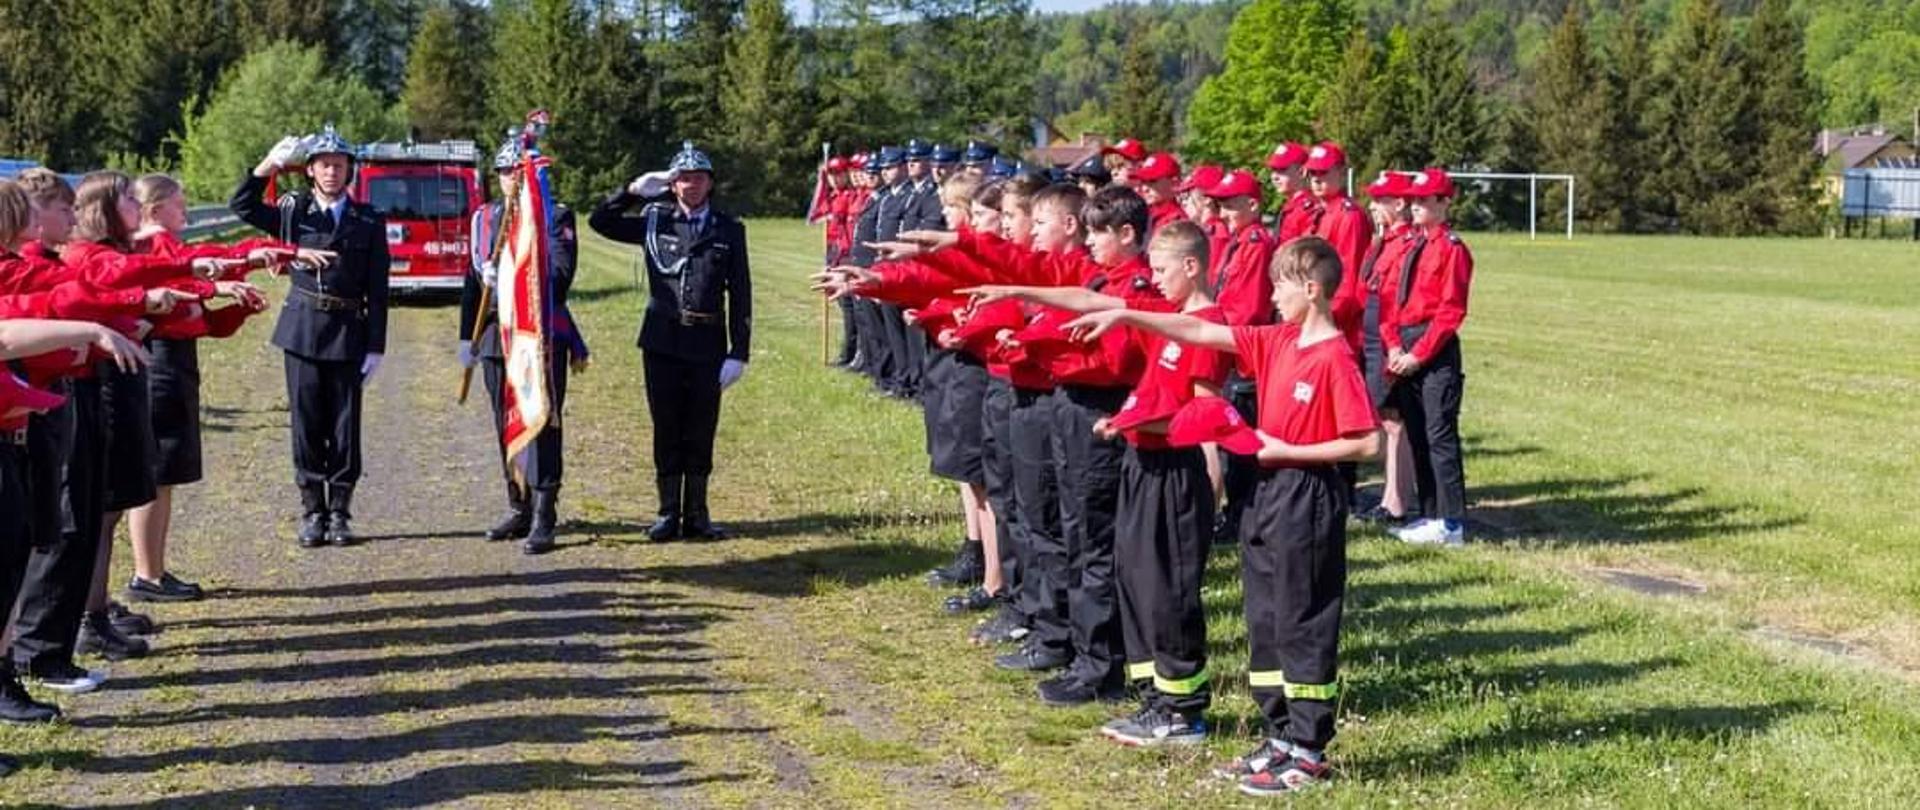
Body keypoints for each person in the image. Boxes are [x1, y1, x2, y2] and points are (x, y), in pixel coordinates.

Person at [1064, 236, 1381, 795]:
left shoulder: (1334, 357)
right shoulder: (1278, 338)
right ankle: (1279, 735)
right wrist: (1126, 315)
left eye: (1280, 286)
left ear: (1311, 289)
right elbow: (1200, 332)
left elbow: (1367, 443)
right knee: (1265, 618)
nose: (1272, 295)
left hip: (1305, 493)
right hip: (1265, 489)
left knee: (1301, 618)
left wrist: (1289, 450)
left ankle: (1309, 750)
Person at [960, 219, 1229, 745]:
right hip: (1142, 460)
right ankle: (1156, 697)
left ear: (1192, 266)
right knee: (1139, 584)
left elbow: (1208, 415)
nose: (1154, 279)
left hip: (1174, 470)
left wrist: (1134, 422)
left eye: (1162, 270)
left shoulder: (1205, 327)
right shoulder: (1169, 316)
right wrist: (1016, 290)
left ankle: (1184, 713)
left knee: (1169, 593)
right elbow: (1088, 298)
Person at [230, 124, 392, 548]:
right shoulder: (293, 212)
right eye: (323, 165)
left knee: (344, 426)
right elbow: (242, 205)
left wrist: (376, 345)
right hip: (302, 329)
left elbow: (378, 289)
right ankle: (312, 510)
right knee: (306, 424)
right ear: (310, 170)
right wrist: (268, 165)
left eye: (339, 165)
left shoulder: (368, 219)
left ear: (349, 170)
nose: (331, 172)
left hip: (348, 331)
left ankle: (339, 511)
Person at [588, 141, 752, 542]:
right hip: (662, 341)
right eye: (683, 179)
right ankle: (667, 512)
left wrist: (739, 351)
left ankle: (697, 513)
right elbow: (600, 222)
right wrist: (632, 191)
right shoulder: (655, 220)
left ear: (710, 183)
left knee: (701, 427)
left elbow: (741, 293)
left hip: (707, 342)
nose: (691, 185)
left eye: (699, 178)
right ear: (672, 184)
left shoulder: (728, 229)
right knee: (666, 425)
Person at [460, 133, 587, 555]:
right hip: (496, 336)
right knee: (506, 421)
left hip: (539, 335)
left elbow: (560, 277)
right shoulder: (485, 219)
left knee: (542, 420)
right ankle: (519, 505)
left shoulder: (554, 215)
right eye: (504, 172)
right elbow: (471, 285)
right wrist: (465, 337)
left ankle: (544, 513)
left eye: (519, 172)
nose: (511, 179)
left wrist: (510, 276)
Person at [1378, 168, 1472, 547]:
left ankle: (1451, 523)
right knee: (1416, 433)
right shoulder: (1409, 245)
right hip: (1404, 343)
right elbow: (1389, 300)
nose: (1415, 205)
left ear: (1444, 202)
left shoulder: (1452, 248)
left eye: (1424, 199)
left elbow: (1451, 310)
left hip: (1433, 346)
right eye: (1414, 199)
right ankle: (1430, 514)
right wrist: (1393, 345)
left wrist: (1418, 354)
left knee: (1439, 434)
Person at [1266, 141, 1320, 244]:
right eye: (1273, 170)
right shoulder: (1291, 205)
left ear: (1302, 172)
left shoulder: (1309, 210)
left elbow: (1308, 249)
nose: (1274, 177)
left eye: (1282, 170)